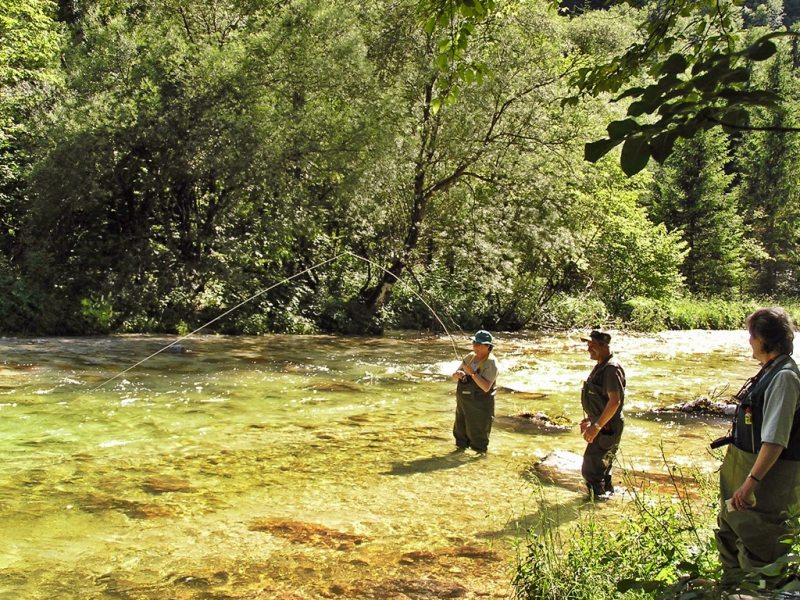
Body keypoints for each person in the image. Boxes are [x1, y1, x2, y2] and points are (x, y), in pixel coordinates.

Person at [715, 307, 800, 588]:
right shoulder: (770, 371)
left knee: (761, 552)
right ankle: (732, 592)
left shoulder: (785, 378)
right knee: (730, 540)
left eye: (751, 335)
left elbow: (775, 440)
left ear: (764, 339)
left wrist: (750, 483)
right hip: (745, 473)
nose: (749, 341)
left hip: (767, 483)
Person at [579, 329, 626, 499]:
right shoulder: (602, 365)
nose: (588, 349)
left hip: (607, 428)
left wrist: (596, 427)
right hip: (602, 425)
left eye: (592, 345)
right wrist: (589, 420)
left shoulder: (611, 369)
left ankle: (595, 506)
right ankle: (606, 501)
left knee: (591, 471)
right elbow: (601, 400)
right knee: (601, 469)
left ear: (603, 346)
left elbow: (615, 402)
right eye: (588, 345)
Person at [452, 330, 498, 453]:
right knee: (460, 433)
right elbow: (454, 376)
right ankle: (457, 457)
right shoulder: (469, 357)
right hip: (463, 403)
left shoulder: (491, 363)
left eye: (479, 344)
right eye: (474, 342)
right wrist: (459, 374)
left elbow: (485, 387)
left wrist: (472, 373)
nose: (475, 346)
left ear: (488, 346)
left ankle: (480, 463)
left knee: (478, 437)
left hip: (480, 405)